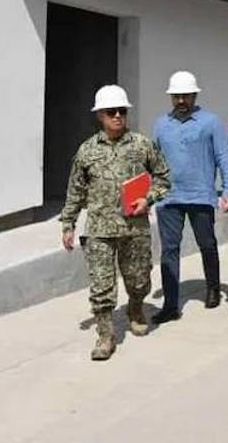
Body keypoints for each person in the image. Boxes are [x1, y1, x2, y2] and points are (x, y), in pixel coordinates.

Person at [59, 85, 171, 361]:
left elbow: (163, 177)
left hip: (135, 227)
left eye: (122, 111)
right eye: (112, 112)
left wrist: (150, 198)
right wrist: (68, 223)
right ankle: (106, 335)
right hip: (99, 229)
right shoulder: (87, 151)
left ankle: (135, 307)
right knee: (101, 286)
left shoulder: (142, 145)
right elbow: (75, 189)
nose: (118, 116)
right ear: (100, 116)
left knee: (139, 279)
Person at [152, 71, 228, 324]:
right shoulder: (161, 125)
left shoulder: (210, 122)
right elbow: (152, 161)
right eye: (176, 96)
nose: (181, 101)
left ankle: (212, 289)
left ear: (194, 95)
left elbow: (223, 156)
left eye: (185, 96)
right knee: (169, 250)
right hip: (168, 198)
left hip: (201, 195)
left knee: (207, 243)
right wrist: (146, 196)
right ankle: (170, 304)